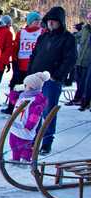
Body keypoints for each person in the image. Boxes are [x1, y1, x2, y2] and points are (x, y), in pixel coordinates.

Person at [27, 6, 76, 155]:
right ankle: (33, 139)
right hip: (36, 79)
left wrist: (57, 76)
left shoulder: (68, 38)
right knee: (34, 110)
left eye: (54, 21)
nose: (51, 24)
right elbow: (34, 55)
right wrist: (30, 73)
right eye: (49, 21)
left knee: (48, 111)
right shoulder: (43, 36)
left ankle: (47, 142)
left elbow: (70, 60)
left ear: (60, 22)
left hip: (52, 81)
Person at [1, 12, 43, 115]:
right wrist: (14, 61)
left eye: (39, 21)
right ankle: (12, 107)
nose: (37, 23)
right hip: (21, 65)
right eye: (35, 21)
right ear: (29, 22)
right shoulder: (21, 33)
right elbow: (15, 48)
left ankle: (30, 109)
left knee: (32, 89)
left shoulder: (42, 32)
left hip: (34, 66)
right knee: (15, 86)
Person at [9, 72, 50, 162]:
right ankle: (15, 158)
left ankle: (26, 159)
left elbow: (35, 115)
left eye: (25, 85)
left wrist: (29, 126)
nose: (24, 86)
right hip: (15, 126)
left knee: (25, 145)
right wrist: (14, 91)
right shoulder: (23, 96)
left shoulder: (35, 100)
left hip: (25, 128)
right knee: (13, 143)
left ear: (32, 87)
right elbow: (13, 102)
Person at [72, 13, 91, 108]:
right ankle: (78, 98)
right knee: (79, 82)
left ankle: (84, 100)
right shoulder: (85, 29)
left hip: (89, 62)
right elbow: (75, 38)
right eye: (89, 18)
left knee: (86, 83)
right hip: (80, 60)